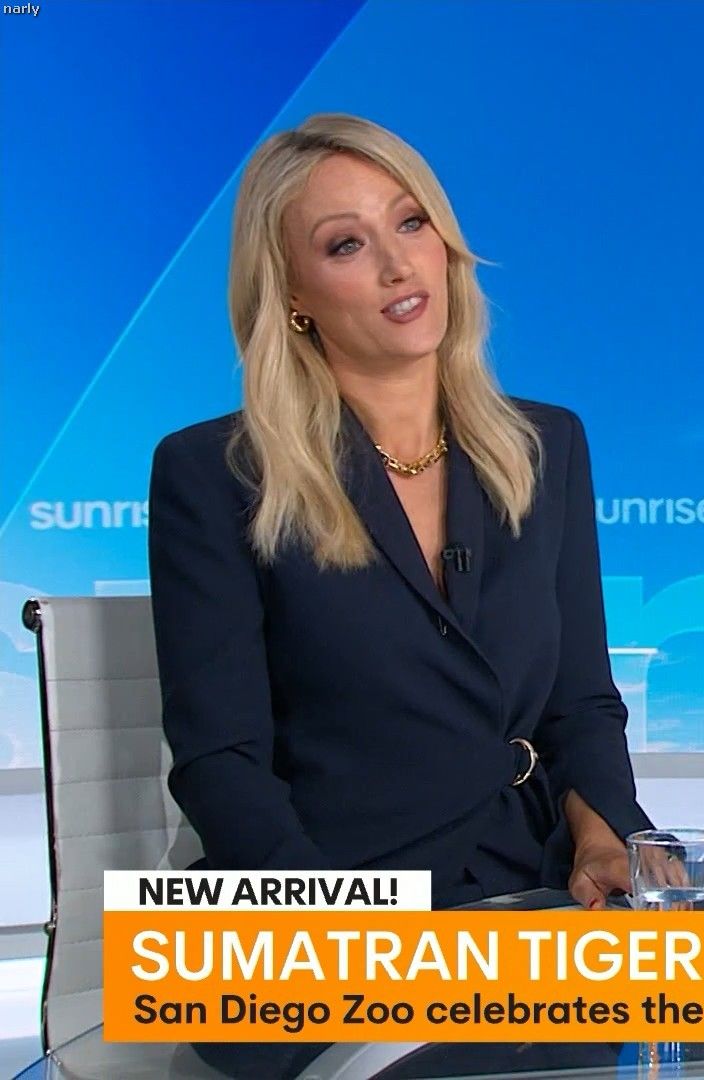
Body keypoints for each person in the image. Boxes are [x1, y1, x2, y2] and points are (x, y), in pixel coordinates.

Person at [149, 113, 650, 910]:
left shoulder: (544, 446)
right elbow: (220, 762)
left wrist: (603, 838)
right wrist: (346, 932)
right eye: (346, 244)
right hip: (325, 909)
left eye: (411, 223)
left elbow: (580, 704)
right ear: (293, 294)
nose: (398, 265)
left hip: (526, 886)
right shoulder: (217, 472)